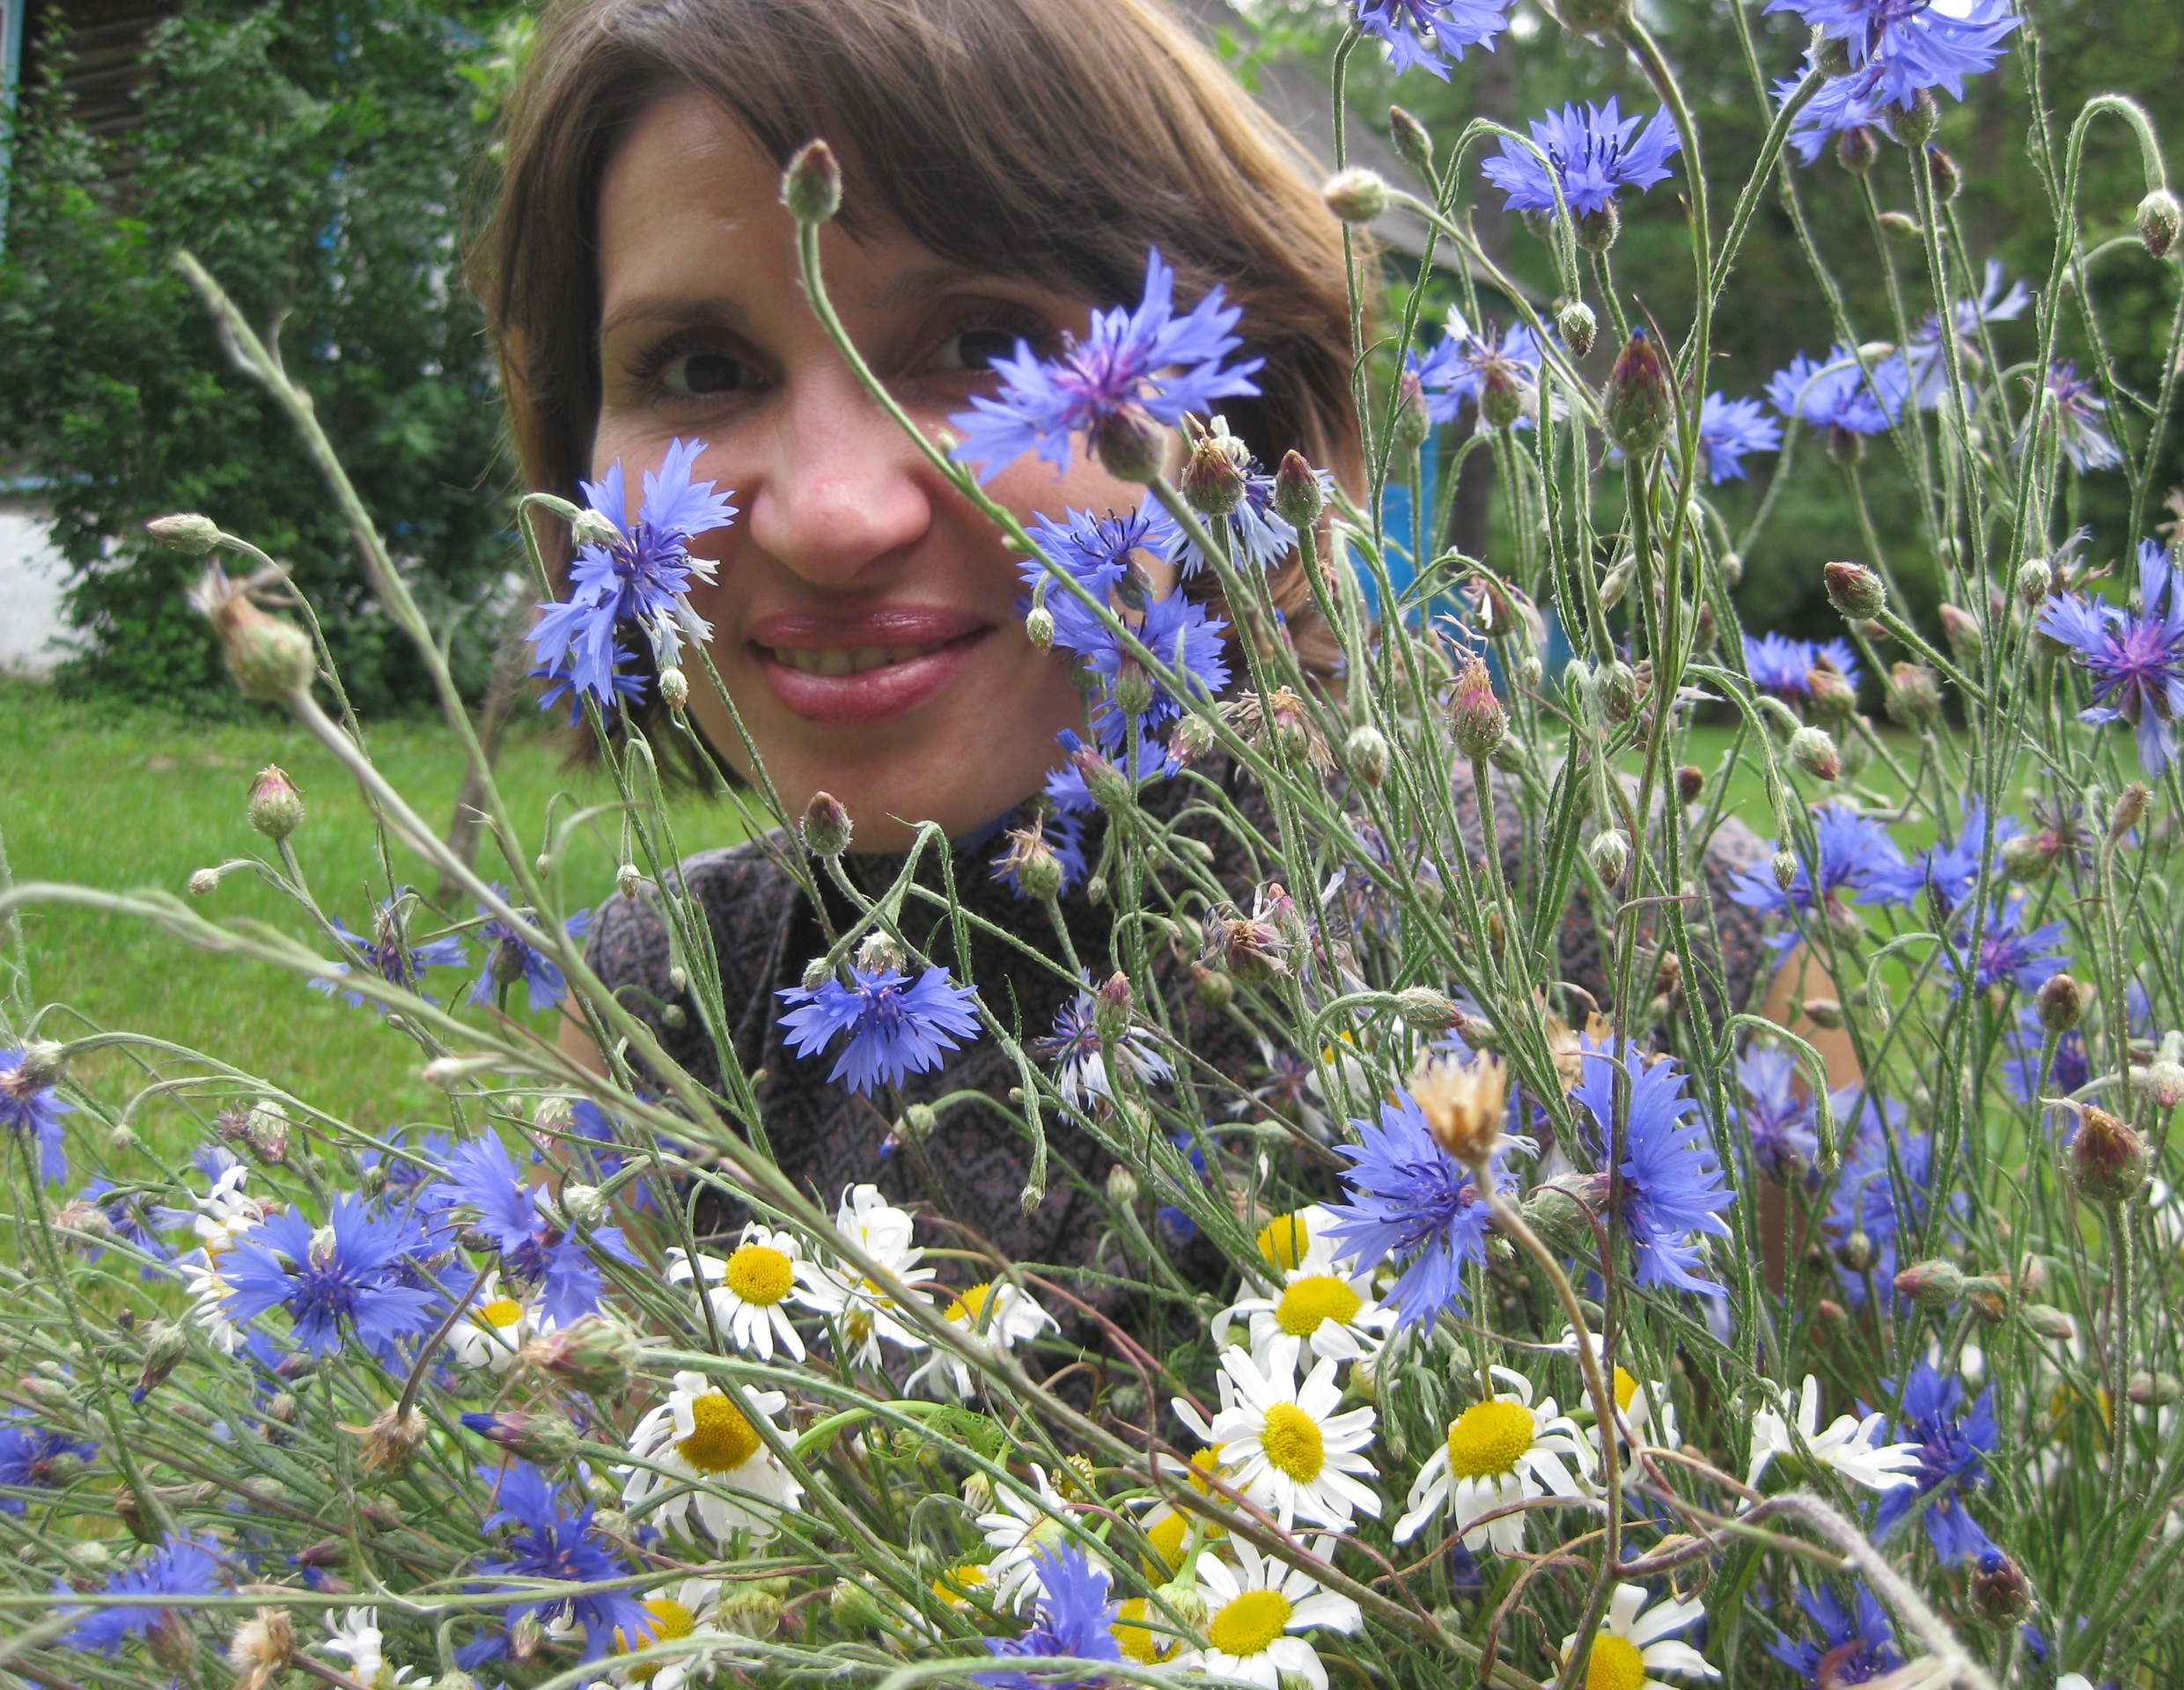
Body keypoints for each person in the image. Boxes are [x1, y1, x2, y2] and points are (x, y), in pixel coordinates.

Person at [471, 0, 1819, 1308]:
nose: (832, 517)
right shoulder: (664, 998)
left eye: (985, 343)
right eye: (701, 370)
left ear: (1242, 412)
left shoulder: (1659, 939)